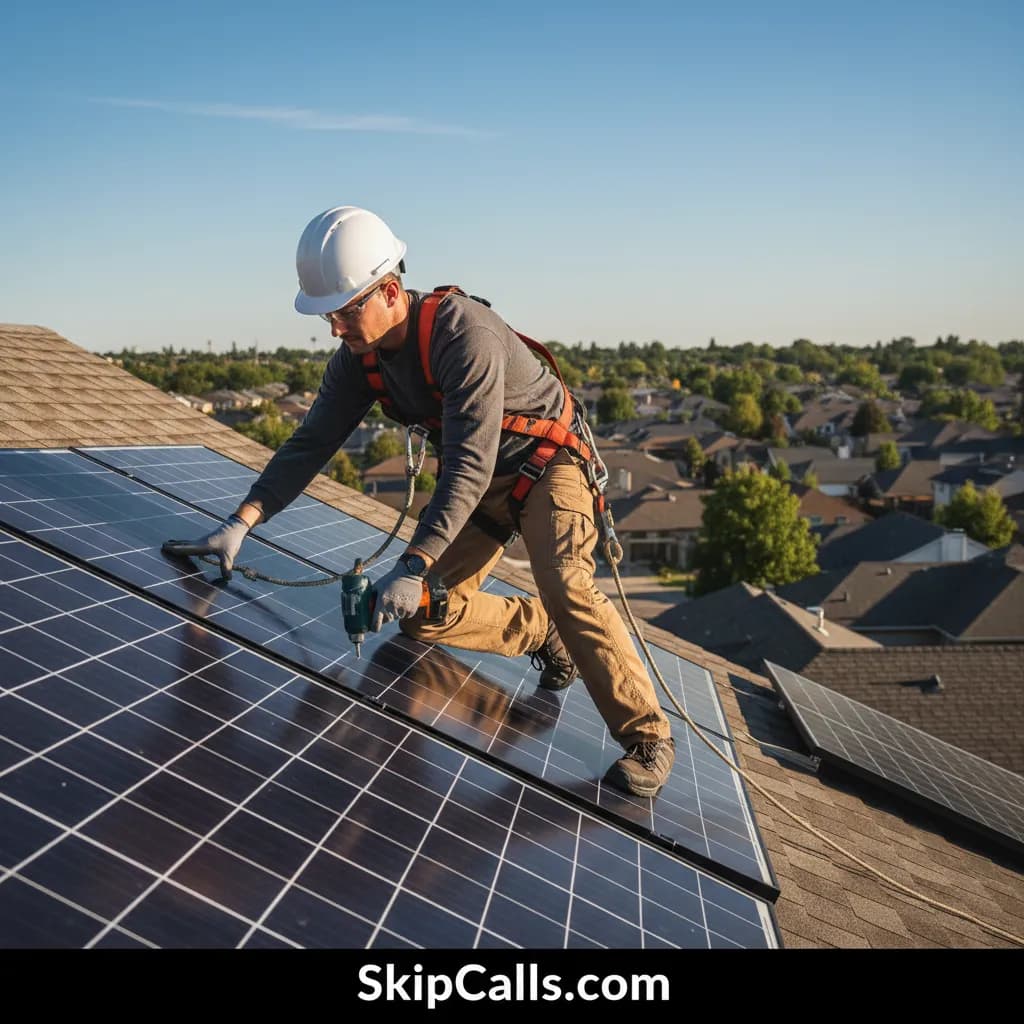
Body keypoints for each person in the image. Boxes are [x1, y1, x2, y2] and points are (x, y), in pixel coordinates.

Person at [166, 206, 675, 797]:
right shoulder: (359, 361)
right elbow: (311, 443)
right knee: (422, 615)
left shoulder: (465, 335)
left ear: (389, 291)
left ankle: (648, 737)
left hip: (547, 469)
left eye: (345, 312)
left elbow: (467, 464)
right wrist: (241, 520)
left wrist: (413, 562)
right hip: (480, 488)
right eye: (329, 315)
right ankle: (542, 630)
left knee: (566, 583)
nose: (335, 329)